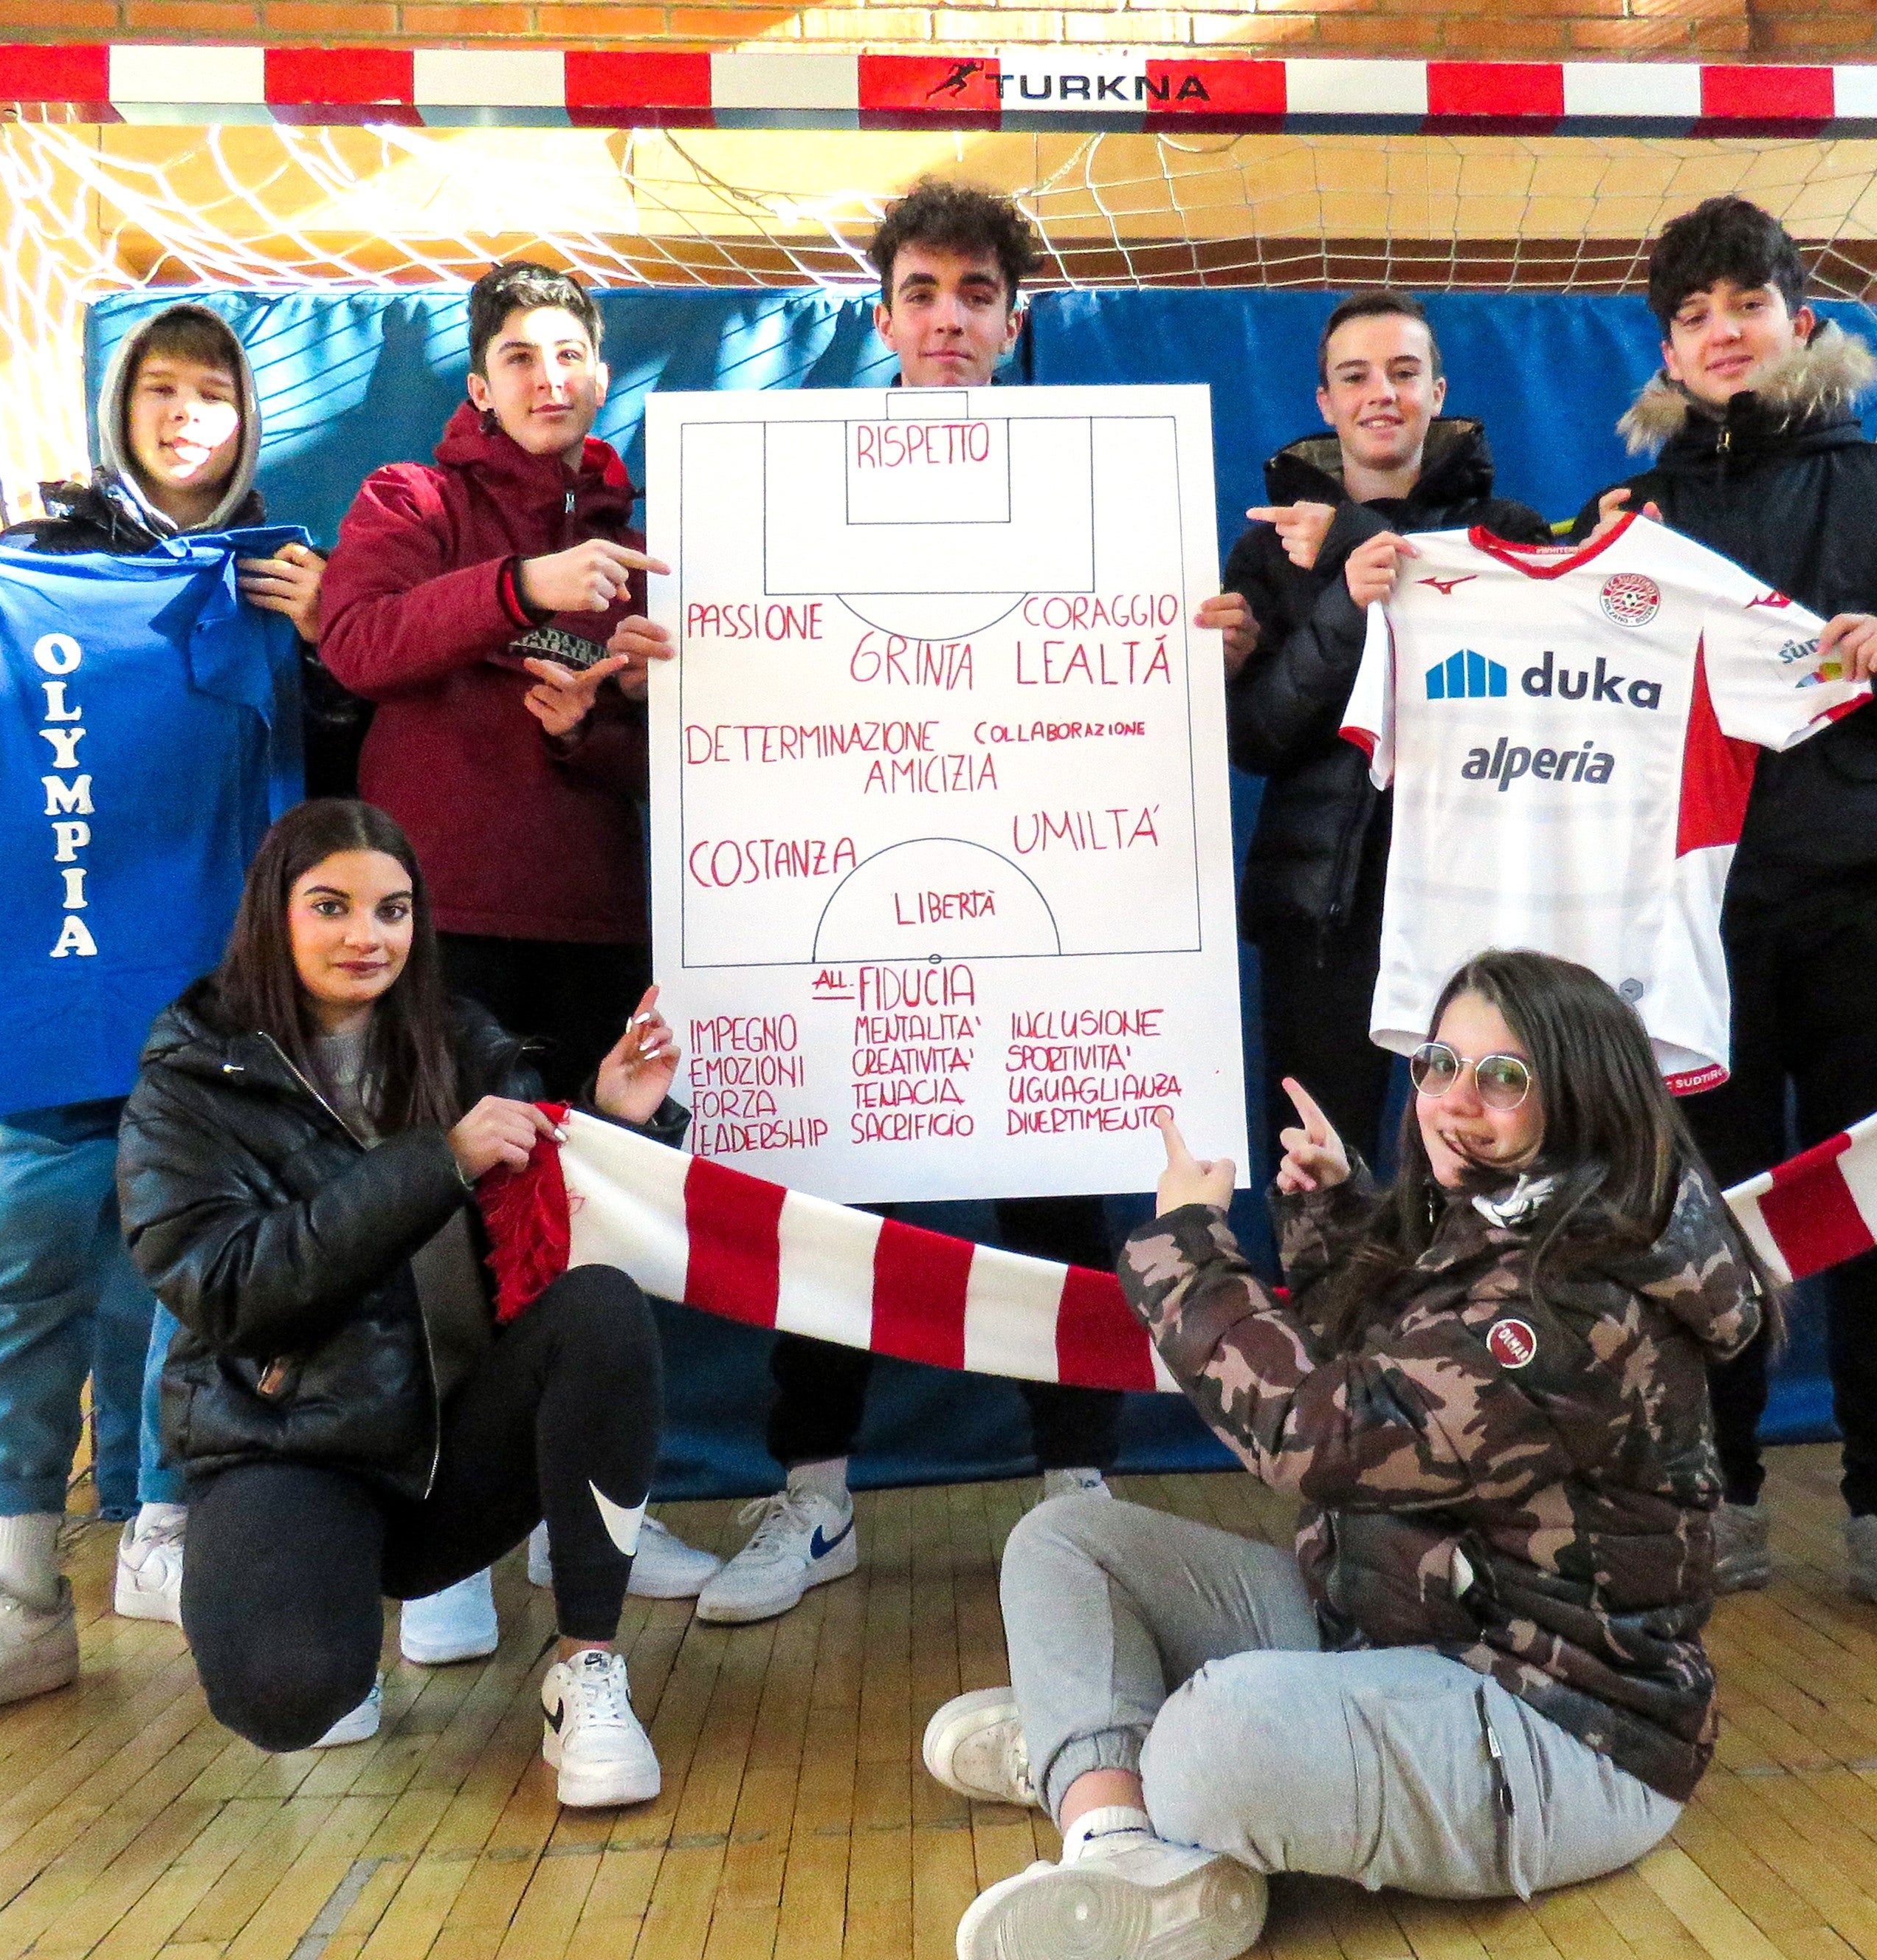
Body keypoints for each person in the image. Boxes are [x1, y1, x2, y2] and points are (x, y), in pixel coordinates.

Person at [920, 950, 1771, 1960]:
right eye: (1438, 1063)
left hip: (1568, 1733)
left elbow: (1316, 1435)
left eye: (1503, 1078)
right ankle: (1114, 1827)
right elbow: (1391, 1365)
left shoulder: (1581, 1302)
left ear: (1584, 1098)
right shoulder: (1515, 1216)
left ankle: (1113, 1751)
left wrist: (1189, 1244)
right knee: (1065, 1538)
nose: (1455, 1100)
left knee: (1218, 1734)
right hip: (1396, 1632)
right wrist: (1334, 1214)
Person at [0, 304, 327, 1751]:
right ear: (121, 412)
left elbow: (346, 757)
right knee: (26, 1267)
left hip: (221, 1009)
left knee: (207, 1271)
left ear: (245, 417)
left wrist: (324, 627)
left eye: (212, 394)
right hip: (54, 998)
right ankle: (16, 1588)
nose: (185, 416)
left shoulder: (270, 579)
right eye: (160, 391)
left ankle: (170, 1520)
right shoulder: (21, 573)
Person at [1574, 196, 1877, 1636]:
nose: (1724, 331)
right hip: (1691, 925)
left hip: (1866, 916)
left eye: (1747, 304)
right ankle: (1721, 1500)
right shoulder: (1632, 518)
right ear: (1670, 344)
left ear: (1799, 320)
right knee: (1699, 1220)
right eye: (1695, 314)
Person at [695, 180, 1132, 1629]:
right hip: (845, 873)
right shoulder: (791, 475)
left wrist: (1195, 634)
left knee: (1064, 1168)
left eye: (977, 294)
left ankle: (1079, 1482)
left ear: (1015, 318)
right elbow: (750, 650)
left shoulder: (1090, 472)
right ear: (884, 313)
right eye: (925, 292)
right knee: (829, 1170)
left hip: (1036, 865)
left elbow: (1126, 666)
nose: (949, 318)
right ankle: (815, 1491)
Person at [108, 800, 684, 1799]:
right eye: (331, 905)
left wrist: (615, 1120)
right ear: (271, 914)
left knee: (601, 1310)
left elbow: (542, 1218)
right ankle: (320, 1606)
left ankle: (585, 1666)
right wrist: (437, 1160)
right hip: (296, 1445)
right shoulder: (192, 1075)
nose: (365, 936)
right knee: (288, 1697)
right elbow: (228, 1289)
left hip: (454, 1451)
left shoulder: (461, 1041)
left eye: (393, 910)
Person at [320, 264, 719, 1651]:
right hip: (448, 933)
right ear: (479, 385)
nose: (551, 376)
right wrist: (517, 585)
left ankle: (583, 1516)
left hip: (600, 927)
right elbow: (355, 641)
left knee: (594, 1229)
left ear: (602, 376)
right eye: (520, 355)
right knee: (442, 1237)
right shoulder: (409, 503)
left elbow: (646, 765)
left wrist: (589, 725)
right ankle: (447, 1552)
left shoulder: (646, 539)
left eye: (572, 353)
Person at [1199, 289, 1549, 1170]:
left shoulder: (1510, 535)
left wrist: (1357, 541)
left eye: (1403, 373)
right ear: (1325, 402)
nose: (1380, 394)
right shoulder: (1267, 549)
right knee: (1320, 1168)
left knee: (1480, 1163)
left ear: (1439, 390)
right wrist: (1347, 612)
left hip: (1477, 901)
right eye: (1356, 377)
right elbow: (1256, 741)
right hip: (1322, 911)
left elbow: (1536, 706)